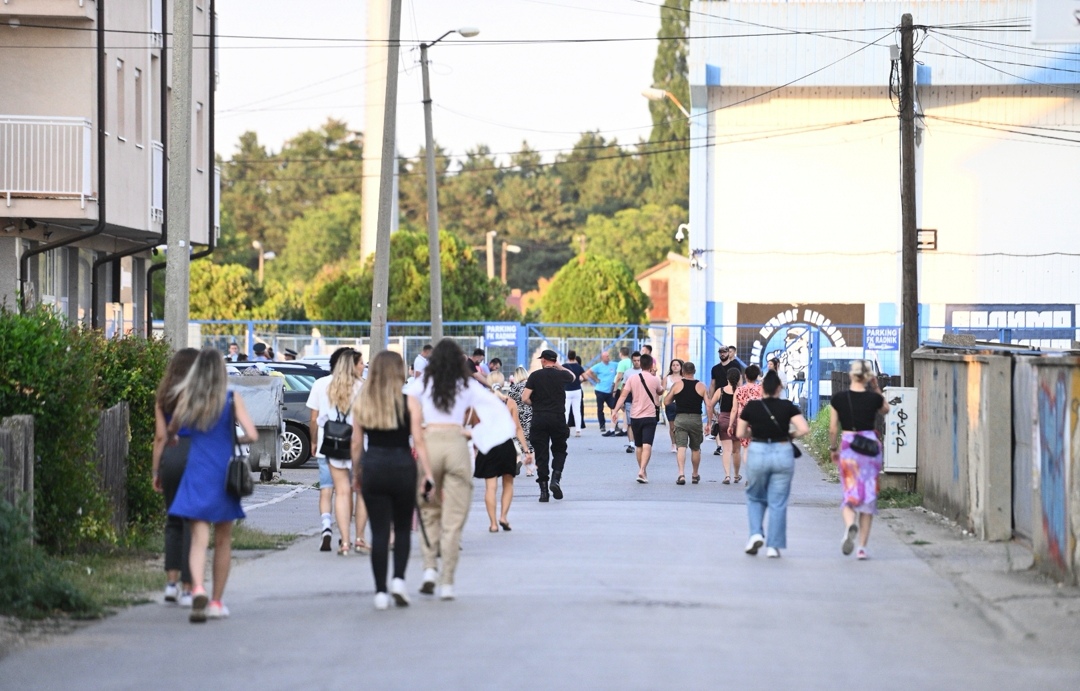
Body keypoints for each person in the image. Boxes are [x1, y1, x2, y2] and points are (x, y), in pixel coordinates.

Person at [166, 347, 258, 622]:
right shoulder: (231, 399)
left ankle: (196, 589)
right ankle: (217, 602)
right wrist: (233, 440)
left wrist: (173, 437)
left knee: (198, 539)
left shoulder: (188, 398)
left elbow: (173, 430)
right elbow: (252, 434)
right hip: (223, 473)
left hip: (197, 471)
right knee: (223, 539)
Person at [405, 339, 498, 600]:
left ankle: (429, 570)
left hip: (430, 442)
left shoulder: (420, 385)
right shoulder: (466, 385)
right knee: (454, 517)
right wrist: (472, 434)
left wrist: (420, 449)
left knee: (428, 512)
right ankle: (447, 582)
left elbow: (410, 418)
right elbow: (495, 411)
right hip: (457, 443)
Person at [351, 350, 434, 610]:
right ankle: (398, 580)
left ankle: (379, 592)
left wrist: (357, 472)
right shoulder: (409, 402)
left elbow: (355, 444)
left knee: (379, 532)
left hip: (374, 466)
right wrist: (428, 474)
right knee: (401, 528)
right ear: (400, 372)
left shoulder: (363, 401)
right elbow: (418, 441)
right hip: (402, 467)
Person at [736, 369, 809, 559]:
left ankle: (755, 535)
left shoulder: (752, 407)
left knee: (755, 496)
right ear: (779, 388)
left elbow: (740, 433)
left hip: (758, 451)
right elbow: (804, 428)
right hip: (783, 452)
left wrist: (756, 434)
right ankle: (773, 547)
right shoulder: (788, 406)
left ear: (762, 389)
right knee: (778, 501)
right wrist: (789, 435)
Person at [151, 347, 199, 607]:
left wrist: (156, 471)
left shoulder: (164, 396)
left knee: (173, 519)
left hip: (171, 455)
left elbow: (160, 437)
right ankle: (189, 587)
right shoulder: (201, 396)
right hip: (195, 454)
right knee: (192, 522)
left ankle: (171, 584)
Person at [828, 360, 890, 560]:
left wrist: (833, 448)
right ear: (868, 377)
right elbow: (886, 409)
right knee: (868, 495)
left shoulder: (838, 399)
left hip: (848, 445)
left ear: (850, 375)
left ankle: (849, 525)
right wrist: (876, 387)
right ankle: (862, 548)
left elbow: (833, 428)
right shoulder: (873, 398)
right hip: (870, 447)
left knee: (850, 492)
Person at [311, 347, 367, 555]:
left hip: (334, 445)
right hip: (360, 444)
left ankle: (344, 541)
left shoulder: (326, 386)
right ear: (353, 365)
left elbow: (317, 418)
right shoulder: (362, 387)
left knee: (341, 492)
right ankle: (359, 537)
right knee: (361, 492)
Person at [474, 372, 532, 532]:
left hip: (488, 446)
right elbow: (517, 428)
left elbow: (476, 426)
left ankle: (492, 523)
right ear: (503, 383)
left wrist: (475, 448)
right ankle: (503, 517)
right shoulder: (509, 402)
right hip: (505, 446)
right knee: (508, 483)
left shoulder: (481, 403)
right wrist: (526, 450)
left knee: (490, 487)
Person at [522, 349, 575, 502]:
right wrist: (558, 365)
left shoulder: (535, 376)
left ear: (543, 360)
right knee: (560, 449)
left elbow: (525, 398)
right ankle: (555, 479)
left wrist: (536, 405)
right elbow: (572, 376)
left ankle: (544, 492)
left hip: (539, 417)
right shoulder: (561, 375)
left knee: (541, 453)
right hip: (557, 418)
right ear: (554, 361)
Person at [612, 353, 664, 484]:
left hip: (635, 416)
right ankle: (642, 470)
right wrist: (656, 376)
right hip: (650, 416)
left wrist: (615, 410)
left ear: (640, 364)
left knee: (639, 445)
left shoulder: (632, 378)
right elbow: (661, 391)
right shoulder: (654, 379)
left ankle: (642, 470)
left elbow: (623, 396)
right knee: (648, 444)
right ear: (652, 365)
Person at [663, 361, 710, 485]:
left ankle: (681, 474)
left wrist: (674, 396)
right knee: (695, 448)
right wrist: (709, 423)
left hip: (681, 419)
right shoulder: (701, 386)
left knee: (681, 447)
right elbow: (709, 405)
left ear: (683, 371)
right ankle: (695, 474)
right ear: (694, 372)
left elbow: (666, 402)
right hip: (696, 419)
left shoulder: (677, 385)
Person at [729, 364, 764, 475]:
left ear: (745, 376)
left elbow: (734, 409)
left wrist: (730, 425)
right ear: (757, 376)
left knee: (746, 449)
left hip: (743, 422)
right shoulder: (761, 389)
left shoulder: (739, 390)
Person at [710, 368, 743, 484]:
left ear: (727, 378)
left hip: (723, 419)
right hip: (738, 421)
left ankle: (727, 476)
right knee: (737, 451)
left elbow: (710, 404)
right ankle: (736, 475)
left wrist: (715, 414)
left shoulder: (721, 390)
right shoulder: (740, 391)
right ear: (738, 378)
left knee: (727, 450)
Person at [506, 365, 535, 476]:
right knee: (530, 444)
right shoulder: (530, 387)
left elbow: (509, 403)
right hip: (529, 416)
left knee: (518, 442)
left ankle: (518, 460)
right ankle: (529, 470)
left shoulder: (513, 388)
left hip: (516, 417)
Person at [584, 350, 618, 436]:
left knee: (614, 408)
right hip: (600, 391)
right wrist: (595, 379)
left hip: (610, 391)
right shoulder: (598, 366)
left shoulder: (613, 364)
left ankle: (615, 424)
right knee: (600, 408)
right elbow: (588, 372)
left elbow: (621, 368)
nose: (608, 357)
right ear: (602, 358)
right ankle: (602, 425)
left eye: (608, 356)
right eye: (606, 356)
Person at [562, 350, 586, 438]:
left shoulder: (564, 366)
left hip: (567, 390)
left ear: (567, 356)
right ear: (575, 357)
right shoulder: (578, 366)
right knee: (577, 411)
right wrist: (580, 381)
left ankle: (564, 429)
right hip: (577, 390)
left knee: (566, 410)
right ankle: (578, 430)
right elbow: (585, 377)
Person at [611, 346, 633, 436]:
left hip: (621, 387)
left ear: (620, 353)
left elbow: (619, 376)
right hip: (630, 387)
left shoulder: (622, 363)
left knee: (615, 407)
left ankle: (612, 428)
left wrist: (615, 389)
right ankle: (625, 428)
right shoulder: (631, 362)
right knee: (625, 409)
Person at [663, 359, 684, 452]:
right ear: (671, 367)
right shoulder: (667, 378)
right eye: (673, 365)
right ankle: (673, 444)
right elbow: (661, 390)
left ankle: (680, 443)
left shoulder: (684, 378)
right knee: (672, 426)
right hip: (670, 404)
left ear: (681, 367)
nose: (675, 367)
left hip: (682, 404)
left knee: (681, 425)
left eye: (677, 365)